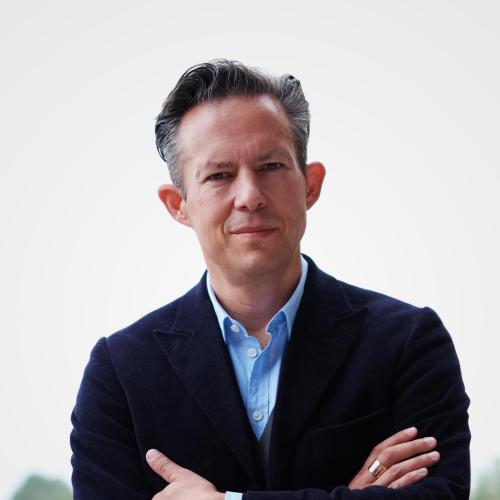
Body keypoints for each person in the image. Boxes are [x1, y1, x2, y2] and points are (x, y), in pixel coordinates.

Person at [70, 60, 471, 499]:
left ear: (310, 185)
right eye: (219, 175)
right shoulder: (120, 372)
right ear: (177, 204)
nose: (249, 196)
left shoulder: (408, 343)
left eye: (271, 166)